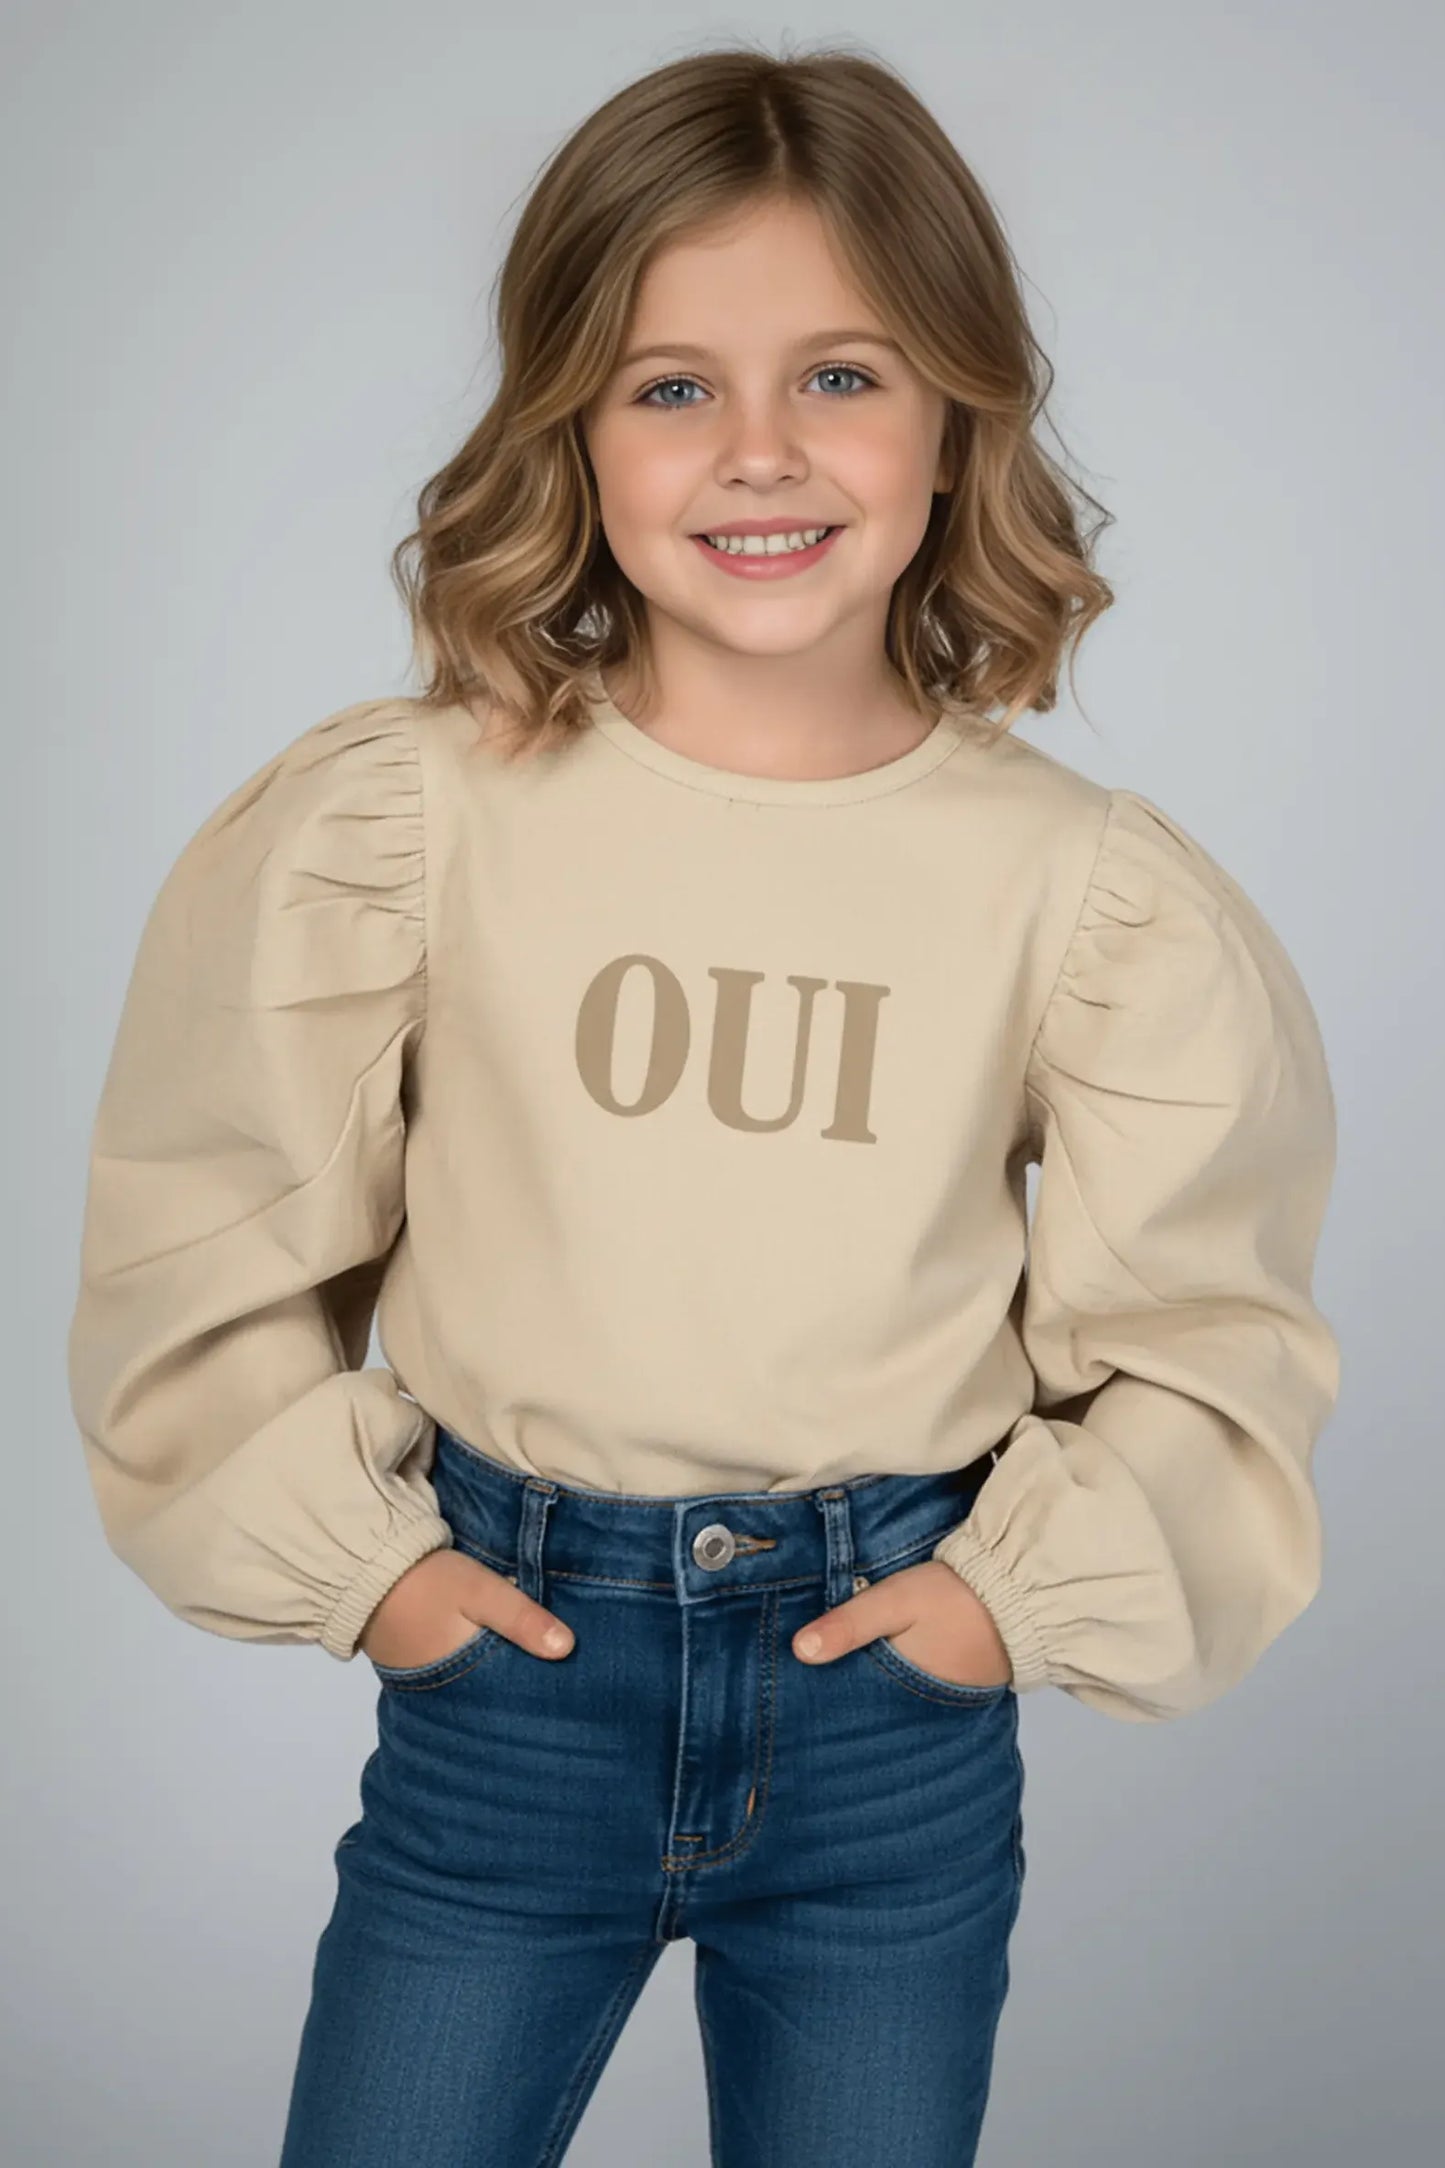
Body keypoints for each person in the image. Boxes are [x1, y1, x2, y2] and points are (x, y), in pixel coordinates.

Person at [65, 39, 1341, 2168]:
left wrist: (997, 1608)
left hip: (887, 1718)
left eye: (840, 374)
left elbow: (1210, 1326)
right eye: (672, 386)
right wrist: (378, 1576)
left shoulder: (1083, 891)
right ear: (570, 426)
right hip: (510, 1685)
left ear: (957, 414)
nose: (761, 451)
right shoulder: (412, 820)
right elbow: (205, 1230)